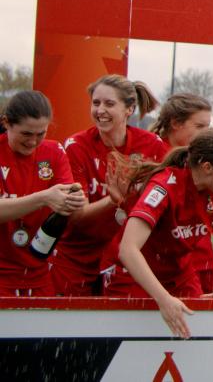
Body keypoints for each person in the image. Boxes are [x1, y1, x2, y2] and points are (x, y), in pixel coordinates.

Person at [114, 128, 213, 338]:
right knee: (141, 343)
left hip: (179, 273)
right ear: (208, 167)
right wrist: (163, 299)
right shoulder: (164, 186)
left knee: (195, 334)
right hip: (134, 275)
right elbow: (128, 250)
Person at [50, 74, 166, 296]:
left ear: (129, 109)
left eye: (109, 103)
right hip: (77, 257)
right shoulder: (76, 146)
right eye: (96, 103)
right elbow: (76, 215)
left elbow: (164, 204)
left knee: (119, 328)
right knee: (66, 327)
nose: (100, 110)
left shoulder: (152, 146)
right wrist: (113, 200)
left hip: (126, 257)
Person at [0, 91, 86, 297]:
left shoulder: (54, 152)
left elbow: (73, 212)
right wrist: (44, 197)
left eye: (41, 134)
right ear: (7, 123)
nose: (33, 141)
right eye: (26, 134)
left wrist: (75, 201)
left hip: (39, 271)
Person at [149, 93, 213, 293]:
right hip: (168, 264)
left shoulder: (204, 158)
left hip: (201, 257)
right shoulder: (154, 152)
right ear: (176, 123)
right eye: (200, 127)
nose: (206, 133)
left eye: (208, 126)